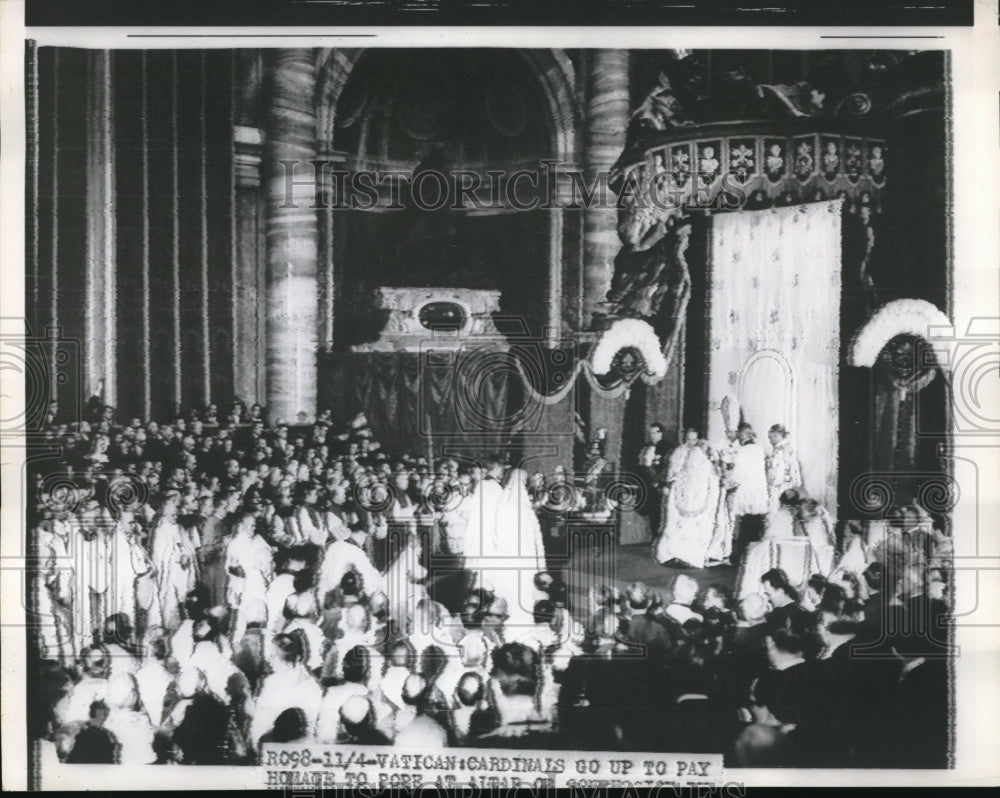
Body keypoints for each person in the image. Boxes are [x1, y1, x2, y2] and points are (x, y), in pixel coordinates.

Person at [654, 429, 721, 568]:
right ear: (685, 439)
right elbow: (672, 472)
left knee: (692, 529)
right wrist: (669, 484)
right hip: (679, 496)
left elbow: (710, 476)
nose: (692, 442)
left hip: (696, 499)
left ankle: (690, 557)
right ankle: (672, 555)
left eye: (694, 440)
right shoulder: (678, 452)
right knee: (675, 527)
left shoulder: (702, 456)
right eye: (689, 439)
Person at [728, 423, 769, 567]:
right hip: (759, 492)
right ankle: (755, 558)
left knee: (745, 525)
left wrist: (728, 484)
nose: (738, 437)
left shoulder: (742, 451)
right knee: (757, 525)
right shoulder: (759, 449)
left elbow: (738, 475)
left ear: (744, 434)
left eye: (739, 434)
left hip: (747, 492)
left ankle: (739, 558)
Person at [765, 425, 803, 510]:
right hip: (788, 486)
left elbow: (777, 473)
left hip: (780, 487)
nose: (770, 441)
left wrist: (770, 487)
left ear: (776, 435)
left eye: (770, 438)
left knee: (777, 512)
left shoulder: (780, 451)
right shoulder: (787, 448)